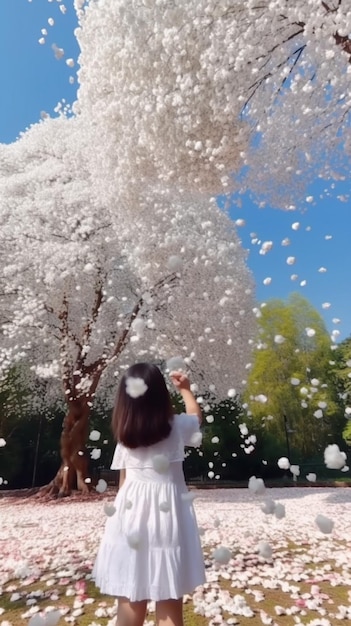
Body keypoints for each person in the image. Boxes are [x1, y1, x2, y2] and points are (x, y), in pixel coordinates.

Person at [92, 362, 206, 626]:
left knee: (130, 604)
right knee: (168, 605)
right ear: (160, 395)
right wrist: (186, 390)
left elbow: (124, 481)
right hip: (167, 519)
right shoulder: (177, 427)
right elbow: (195, 417)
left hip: (129, 517)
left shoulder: (124, 435)